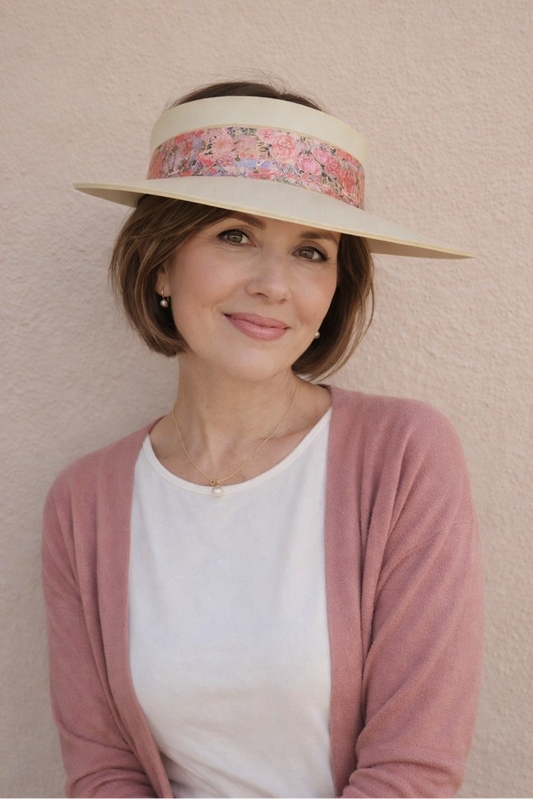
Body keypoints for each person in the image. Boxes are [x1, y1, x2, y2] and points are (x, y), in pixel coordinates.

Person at [41, 80, 485, 799]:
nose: (275, 285)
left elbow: (414, 768)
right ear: (160, 260)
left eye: (311, 251)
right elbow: (103, 771)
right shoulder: (83, 502)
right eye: (235, 235)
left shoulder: (405, 456)